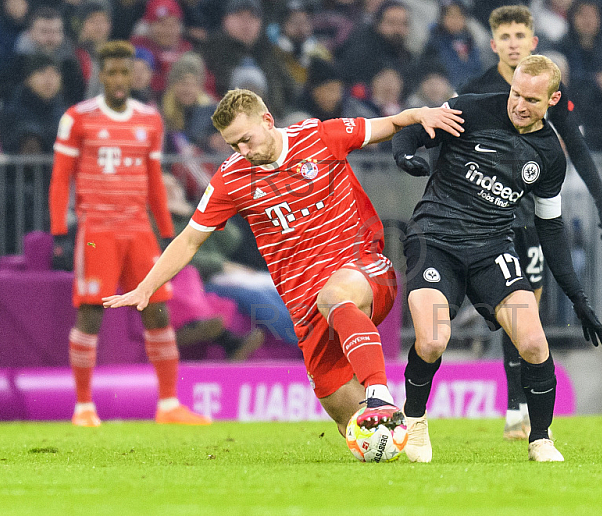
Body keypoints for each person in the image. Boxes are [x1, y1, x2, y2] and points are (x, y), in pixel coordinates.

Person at [102, 88, 465, 436]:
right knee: (354, 425)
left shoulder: (319, 136)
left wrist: (420, 114)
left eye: (247, 139)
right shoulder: (231, 178)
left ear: (267, 119)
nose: (243, 150)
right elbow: (190, 239)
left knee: (334, 296)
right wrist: (146, 286)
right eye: (233, 145)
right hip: (304, 307)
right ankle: (388, 431)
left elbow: (387, 125)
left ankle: (380, 393)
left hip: (363, 267)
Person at [393, 54, 602, 463]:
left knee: (532, 342)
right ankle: (415, 420)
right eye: (515, 93)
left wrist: (578, 297)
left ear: (553, 100)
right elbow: (411, 133)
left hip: (492, 248)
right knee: (433, 339)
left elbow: (551, 229)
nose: (518, 104)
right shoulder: (470, 109)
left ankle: (540, 438)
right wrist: (405, 156)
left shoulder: (549, 156)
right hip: (434, 239)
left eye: (531, 99)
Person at [455, 4, 602, 441]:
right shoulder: (479, 91)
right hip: (483, 220)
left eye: (520, 36)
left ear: (533, 41)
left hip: (528, 219)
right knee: (500, 306)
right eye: (505, 37)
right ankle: (513, 407)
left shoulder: (550, 89)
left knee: (525, 306)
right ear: (494, 44)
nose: (513, 44)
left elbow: (577, 149)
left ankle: (520, 406)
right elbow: (446, 144)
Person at [49, 40, 211, 427]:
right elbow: (60, 179)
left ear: (135, 74)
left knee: (156, 308)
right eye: (113, 72)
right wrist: (59, 229)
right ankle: (84, 407)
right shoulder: (78, 117)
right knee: (91, 311)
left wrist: (169, 230)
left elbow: (154, 179)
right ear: (100, 75)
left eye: (126, 72)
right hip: (95, 230)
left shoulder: (149, 119)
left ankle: (169, 405)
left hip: (139, 228)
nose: (120, 80)